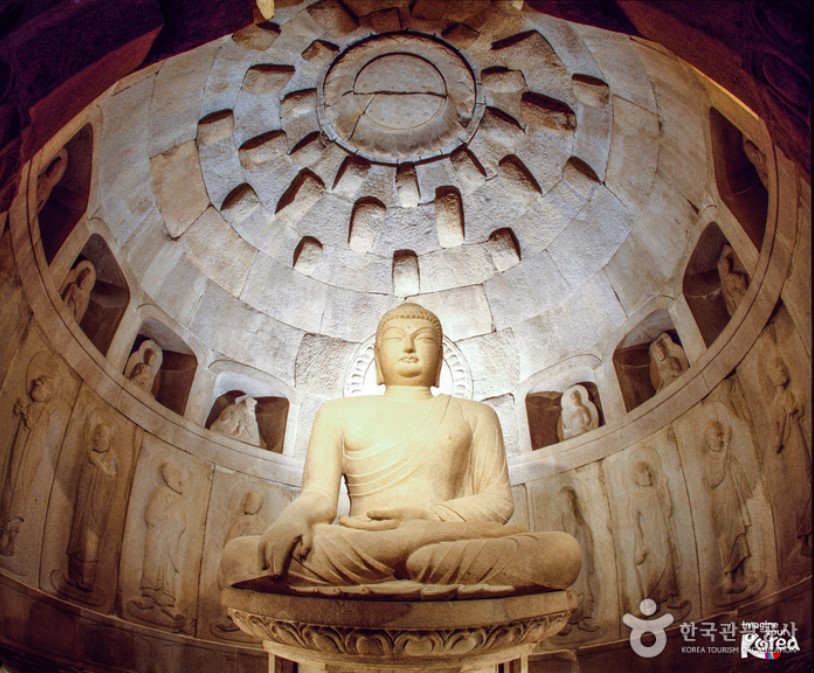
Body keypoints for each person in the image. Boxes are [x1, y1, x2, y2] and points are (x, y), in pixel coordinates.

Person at [223, 303, 580, 594]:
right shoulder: (337, 413)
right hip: (360, 543)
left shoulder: (476, 415)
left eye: (422, 339)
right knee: (241, 556)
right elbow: (319, 495)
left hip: (443, 543)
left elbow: (498, 502)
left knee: (561, 552)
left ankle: (411, 548)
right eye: (396, 338)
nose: (409, 347)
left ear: (439, 358)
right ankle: (409, 553)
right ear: (378, 357)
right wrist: (293, 519)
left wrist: (422, 521)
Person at [65, 421, 118, 591]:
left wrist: (98, 465)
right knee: (79, 538)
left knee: (90, 540)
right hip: (84, 505)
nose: (96, 438)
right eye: (96, 434)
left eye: (101, 435)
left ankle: (87, 579)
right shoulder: (90, 455)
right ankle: (75, 575)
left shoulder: (111, 460)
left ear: (110, 441)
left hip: (96, 510)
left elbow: (110, 480)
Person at [768, 354, 812, 557]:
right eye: (778, 368)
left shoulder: (786, 396)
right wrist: (779, 436)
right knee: (802, 488)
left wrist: (797, 407)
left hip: (799, 441)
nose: (783, 370)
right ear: (771, 377)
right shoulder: (777, 402)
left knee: (808, 480)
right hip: (792, 447)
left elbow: (798, 409)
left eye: (783, 366)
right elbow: (776, 439)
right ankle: (804, 540)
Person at [702, 418, 751, 595]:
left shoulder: (724, 454)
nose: (721, 439)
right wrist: (727, 449)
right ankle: (729, 579)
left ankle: (742, 575)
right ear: (708, 440)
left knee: (737, 537)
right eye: (717, 436)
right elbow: (714, 479)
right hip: (721, 505)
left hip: (732, 502)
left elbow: (737, 471)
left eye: (722, 436)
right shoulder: (709, 459)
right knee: (727, 540)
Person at [629, 462, 687, 610]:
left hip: (663, 532)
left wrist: (665, 488)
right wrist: (640, 544)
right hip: (650, 536)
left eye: (648, 471)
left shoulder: (656, 491)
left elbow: (668, 510)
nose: (648, 474)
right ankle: (651, 602)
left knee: (668, 563)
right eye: (644, 473)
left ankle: (672, 598)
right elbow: (635, 523)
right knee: (652, 568)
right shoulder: (635, 498)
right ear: (636, 478)